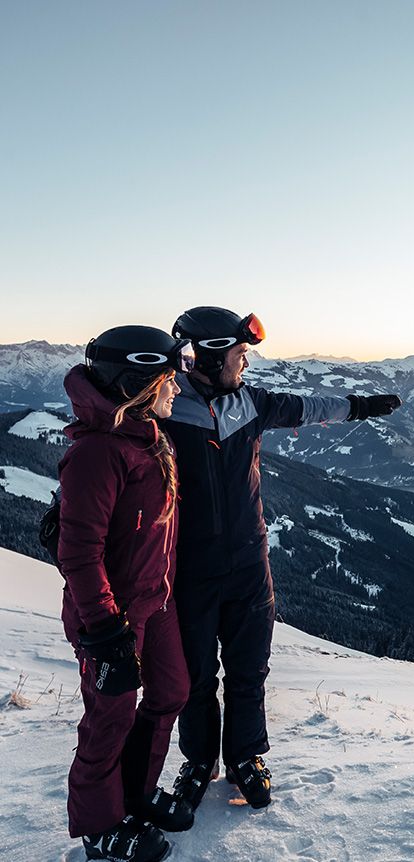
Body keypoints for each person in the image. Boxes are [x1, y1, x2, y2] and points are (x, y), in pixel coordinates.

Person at [163, 305, 401, 811]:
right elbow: (116, 448)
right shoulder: (165, 410)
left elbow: (309, 407)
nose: (245, 363)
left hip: (250, 564)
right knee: (196, 677)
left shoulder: (250, 403)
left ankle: (244, 757)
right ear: (209, 356)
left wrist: (360, 406)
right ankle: (199, 762)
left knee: (249, 671)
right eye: (239, 354)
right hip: (191, 569)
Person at [59, 326, 197, 862]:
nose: (177, 389)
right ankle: (99, 828)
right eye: (168, 379)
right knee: (109, 717)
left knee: (172, 691)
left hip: (154, 602)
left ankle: (135, 792)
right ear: (137, 383)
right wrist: (104, 629)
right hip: (110, 619)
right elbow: (79, 552)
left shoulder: (149, 437)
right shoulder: (97, 453)